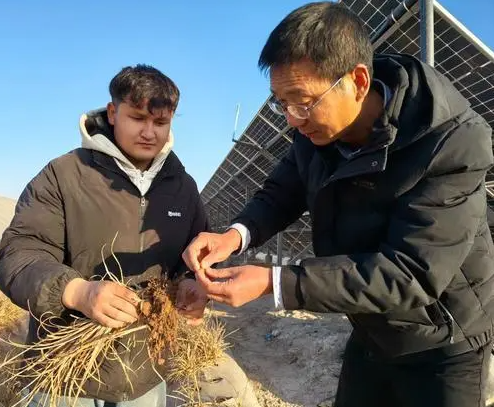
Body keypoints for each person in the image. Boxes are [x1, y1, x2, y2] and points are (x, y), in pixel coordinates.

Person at [183, 3, 494, 407]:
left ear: (358, 81)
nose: (292, 119)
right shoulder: (314, 133)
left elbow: (411, 274)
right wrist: (234, 236)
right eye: (281, 103)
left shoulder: (450, 142)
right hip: (369, 329)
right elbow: (281, 193)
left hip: (442, 340)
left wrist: (274, 282)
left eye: (302, 102)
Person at [0, 64, 258, 407]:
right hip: (65, 375)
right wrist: (77, 292)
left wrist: (194, 286)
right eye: (137, 118)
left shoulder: (182, 188)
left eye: (160, 122)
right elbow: (17, 257)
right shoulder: (64, 175)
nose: (149, 132)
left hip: (144, 375)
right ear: (112, 112)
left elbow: (194, 259)